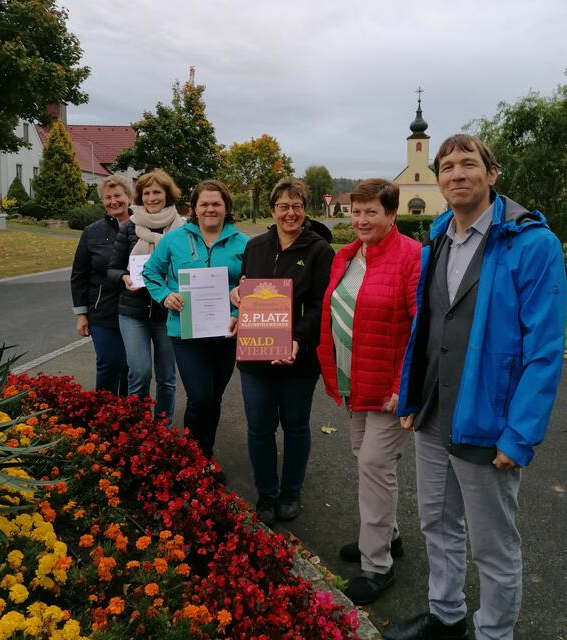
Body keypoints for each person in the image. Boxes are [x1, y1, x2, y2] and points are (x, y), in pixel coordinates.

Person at [383, 134, 566, 640]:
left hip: (489, 421)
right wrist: (412, 392)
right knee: (437, 526)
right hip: (435, 412)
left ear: (492, 173)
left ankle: (494, 633)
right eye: (447, 166)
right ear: (438, 179)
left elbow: (546, 350)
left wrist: (520, 434)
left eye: (468, 164)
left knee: (493, 546)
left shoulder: (532, 244)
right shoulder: (439, 237)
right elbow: (426, 326)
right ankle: (446, 615)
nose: (456, 173)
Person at [317, 179, 420, 605]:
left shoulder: (412, 257)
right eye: (355, 212)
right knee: (366, 460)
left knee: (376, 465)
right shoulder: (346, 255)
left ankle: (377, 565)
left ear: (391, 214)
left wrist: (404, 386)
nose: (360, 219)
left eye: (370, 212)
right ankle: (387, 535)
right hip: (353, 380)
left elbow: (422, 327)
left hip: (387, 389)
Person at [232, 177, 334, 527]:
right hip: (255, 354)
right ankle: (266, 491)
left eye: (297, 206)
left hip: (299, 357)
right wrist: (238, 300)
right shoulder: (256, 246)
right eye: (283, 206)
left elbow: (324, 304)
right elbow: (247, 288)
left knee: (295, 426)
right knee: (259, 427)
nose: (290, 213)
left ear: (305, 210)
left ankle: (291, 490)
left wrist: (300, 339)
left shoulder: (320, 250)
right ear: (272, 210)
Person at [143, 179, 248, 462]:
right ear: (194, 208)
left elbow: (251, 285)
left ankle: (206, 457)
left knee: (214, 398)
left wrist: (238, 314)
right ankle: (190, 457)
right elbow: (151, 272)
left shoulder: (244, 243)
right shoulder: (175, 239)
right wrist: (165, 295)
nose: (210, 209)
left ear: (227, 208)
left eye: (217, 203)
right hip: (185, 331)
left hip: (226, 331)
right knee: (199, 397)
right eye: (205, 204)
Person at [107, 168, 182, 424]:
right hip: (133, 312)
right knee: (139, 373)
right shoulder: (129, 228)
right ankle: (136, 430)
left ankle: (163, 429)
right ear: (140, 196)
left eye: (157, 192)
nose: (152, 197)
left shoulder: (182, 229)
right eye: (147, 192)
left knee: (167, 378)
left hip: (169, 313)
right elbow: (113, 269)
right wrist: (125, 277)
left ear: (167, 194)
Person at [71, 175, 131, 394]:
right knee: (109, 362)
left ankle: (127, 414)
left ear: (129, 197)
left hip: (136, 309)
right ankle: (103, 415)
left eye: (118, 195)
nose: (113, 201)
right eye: (108, 197)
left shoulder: (143, 228)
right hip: (102, 311)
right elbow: (79, 275)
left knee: (130, 366)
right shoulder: (91, 232)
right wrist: (81, 314)